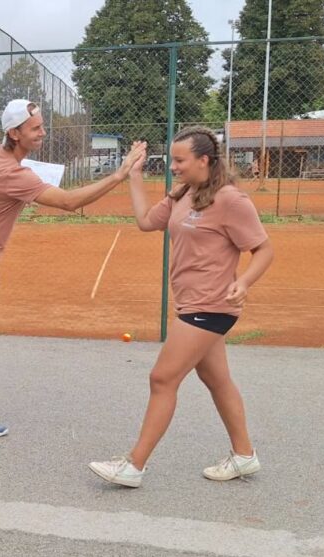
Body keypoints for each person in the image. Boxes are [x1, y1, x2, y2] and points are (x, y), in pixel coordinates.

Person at [0, 99, 145, 437]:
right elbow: (70, 202)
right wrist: (120, 173)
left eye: (42, 125)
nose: (43, 132)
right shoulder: (12, 172)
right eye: (36, 128)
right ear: (15, 133)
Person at [87, 126, 274, 488]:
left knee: (162, 378)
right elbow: (145, 222)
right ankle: (244, 456)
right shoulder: (184, 193)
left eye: (180, 160)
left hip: (212, 305)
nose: (173, 166)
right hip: (191, 302)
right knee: (216, 379)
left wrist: (245, 281)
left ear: (204, 160)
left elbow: (264, 250)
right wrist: (135, 175)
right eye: (171, 159)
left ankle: (133, 465)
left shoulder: (231, 200)